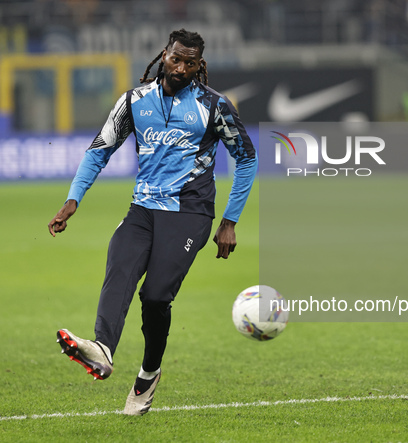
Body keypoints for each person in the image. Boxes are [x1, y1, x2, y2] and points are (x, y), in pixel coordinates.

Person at [48, 29, 257, 416]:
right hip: (143, 209)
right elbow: (100, 149)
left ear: (199, 65)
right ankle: (102, 350)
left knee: (156, 297)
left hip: (190, 213)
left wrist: (229, 221)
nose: (181, 68)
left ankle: (148, 374)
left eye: (190, 63)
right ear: (164, 54)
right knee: (120, 268)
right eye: (176, 59)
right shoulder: (134, 101)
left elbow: (246, 157)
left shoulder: (214, 106)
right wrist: (72, 200)